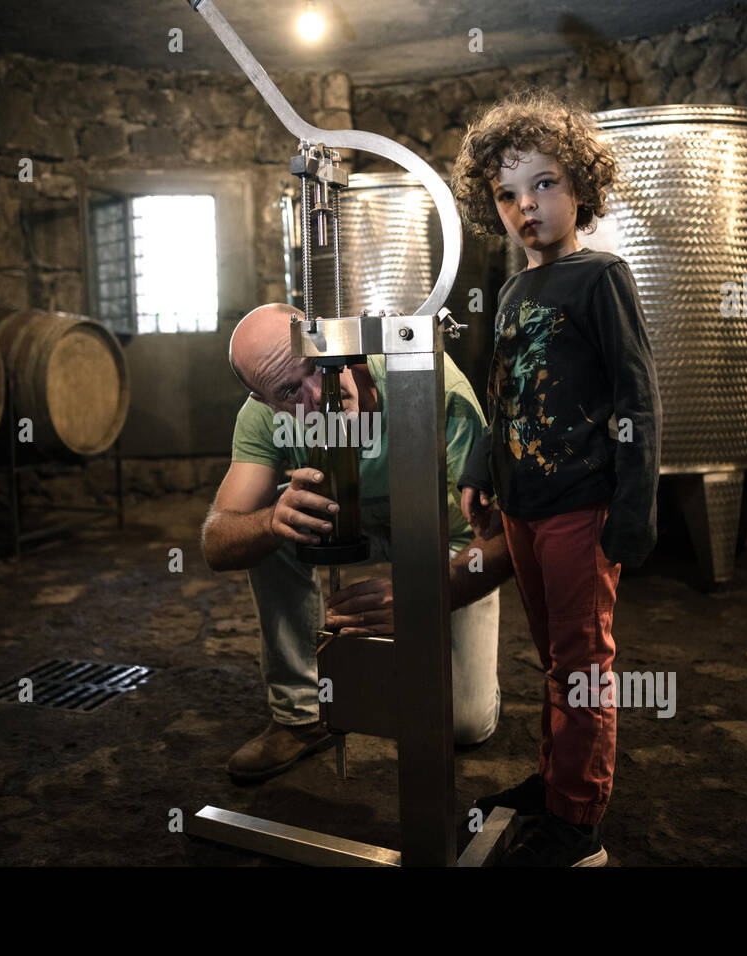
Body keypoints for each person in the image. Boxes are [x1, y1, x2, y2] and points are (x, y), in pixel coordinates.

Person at [451, 87, 663, 866]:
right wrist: (479, 464)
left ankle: (576, 827)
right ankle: (553, 782)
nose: (525, 206)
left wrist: (633, 511)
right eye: (507, 194)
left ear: (580, 187)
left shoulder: (601, 278)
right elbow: (501, 387)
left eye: (543, 184)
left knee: (582, 665)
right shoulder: (511, 290)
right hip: (524, 509)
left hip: (580, 505)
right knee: (553, 659)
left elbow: (639, 396)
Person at [201, 303, 513, 781]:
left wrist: (424, 597)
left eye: (314, 368)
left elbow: (508, 534)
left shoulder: (428, 380)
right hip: (343, 524)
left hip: (445, 538)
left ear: (330, 338)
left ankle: (437, 676)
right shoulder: (260, 418)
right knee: (274, 524)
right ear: (263, 401)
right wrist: (269, 523)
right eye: (288, 391)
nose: (316, 396)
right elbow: (217, 541)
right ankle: (302, 715)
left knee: (464, 725)